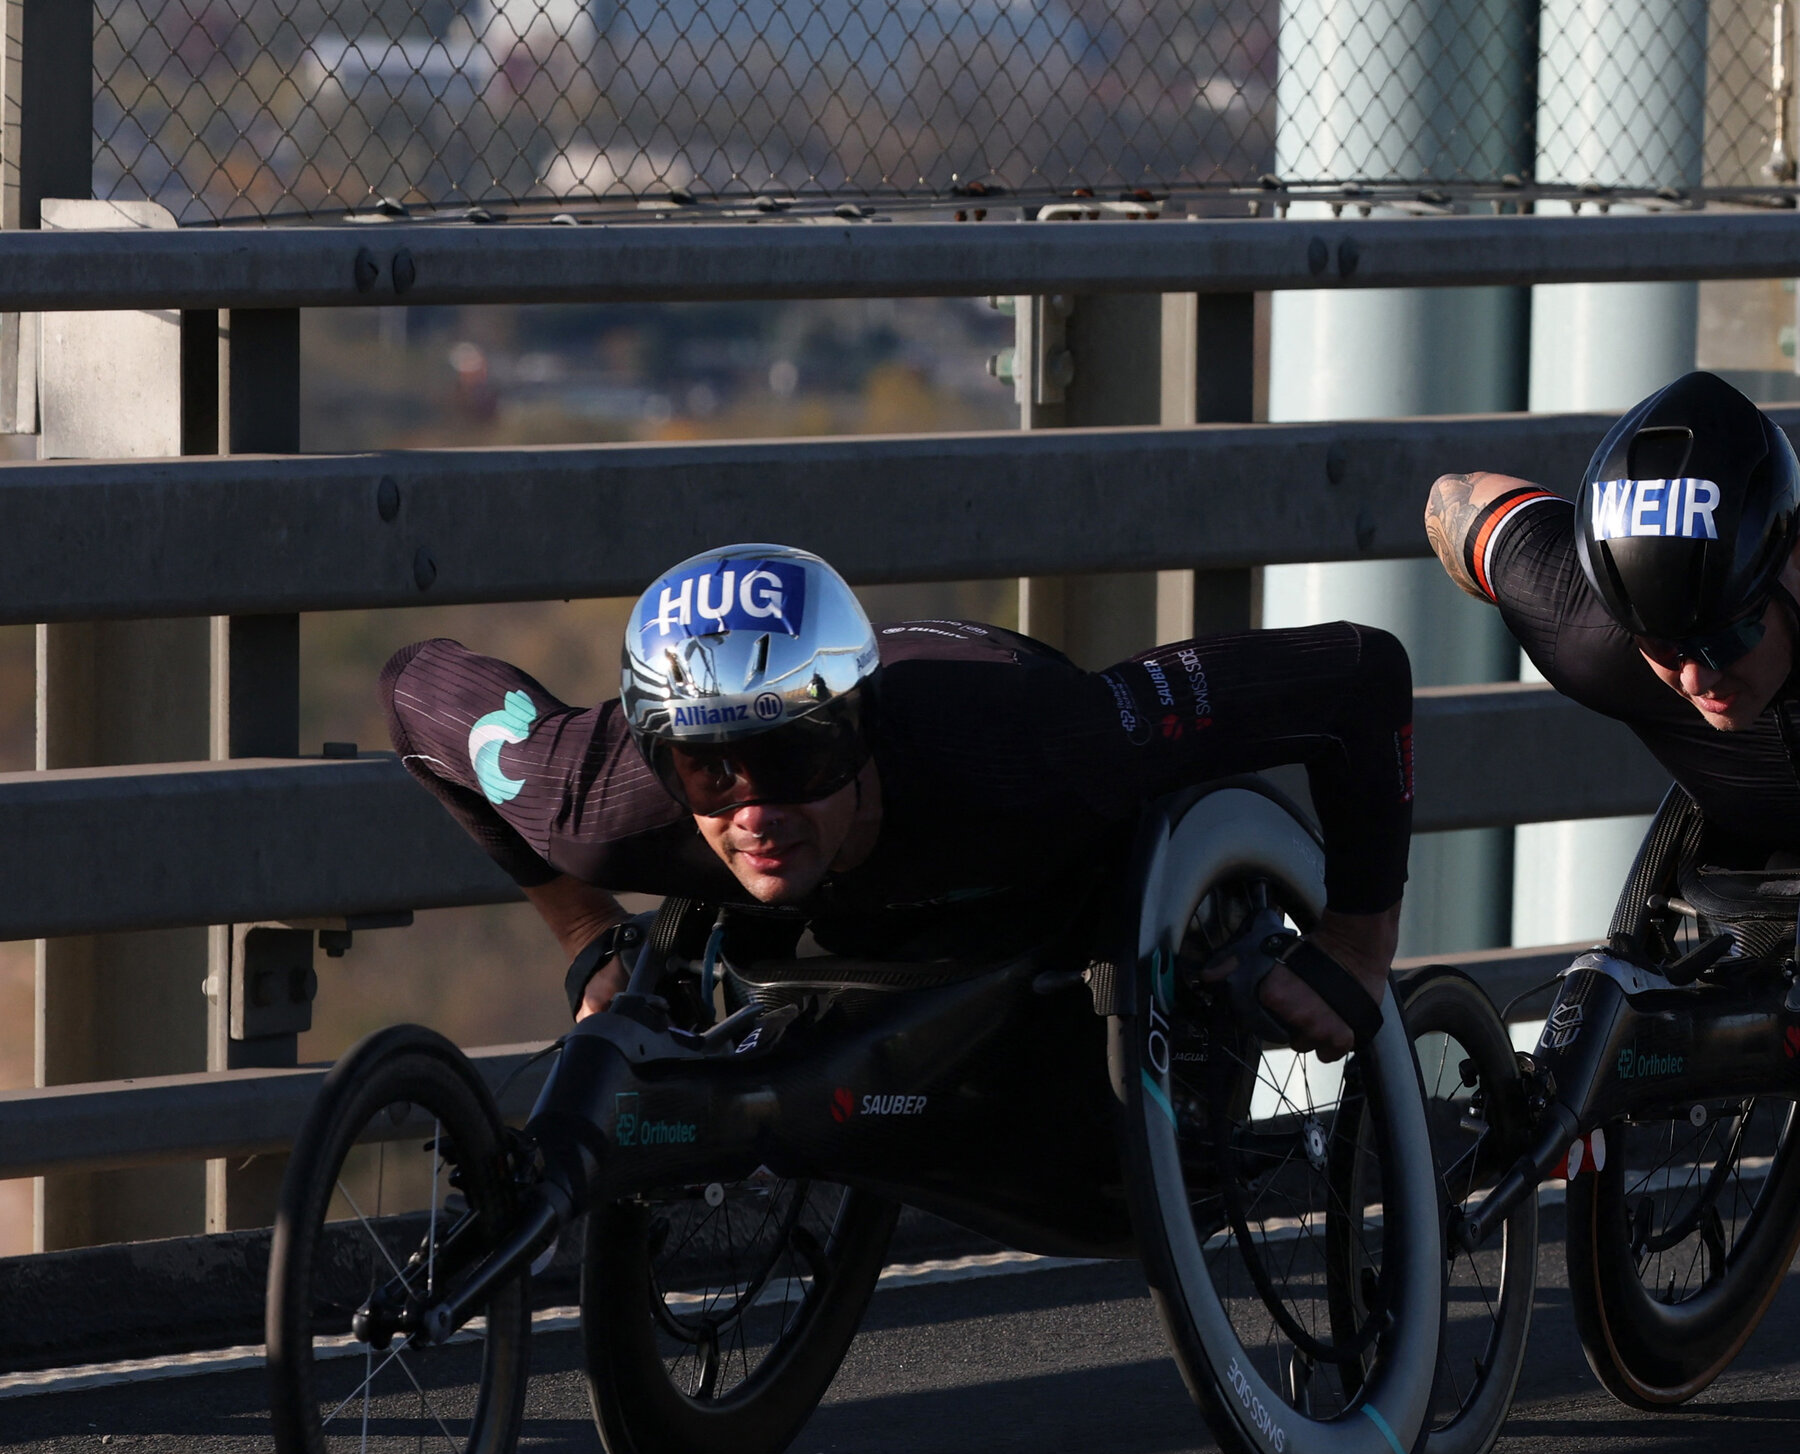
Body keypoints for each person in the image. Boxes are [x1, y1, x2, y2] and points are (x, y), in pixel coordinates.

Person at [381, 545, 1413, 1059]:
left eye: (794, 760)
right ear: (660, 758)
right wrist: (584, 929)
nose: (754, 811)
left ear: (857, 731)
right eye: (710, 775)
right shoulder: (594, 797)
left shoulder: (1036, 748)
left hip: (998, 775)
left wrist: (1359, 945)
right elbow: (414, 686)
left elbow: (1359, 673)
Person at [1425, 370, 1800, 862]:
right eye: (1662, 645)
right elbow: (1451, 497)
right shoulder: (1586, 629)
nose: (1697, 678)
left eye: (1724, 639)